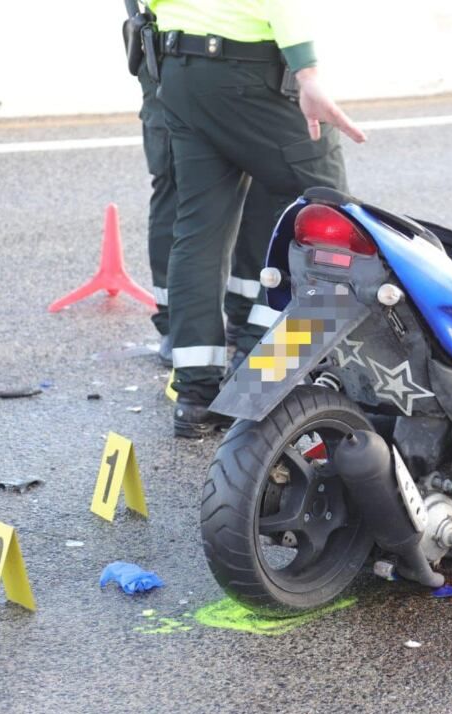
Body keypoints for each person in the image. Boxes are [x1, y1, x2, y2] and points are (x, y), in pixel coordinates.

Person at [150, 0, 366, 437]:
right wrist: (307, 74)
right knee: (333, 217)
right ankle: (258, 378)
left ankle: (194, 396)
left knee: (199, 231)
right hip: (248, 71)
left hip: (179, 67)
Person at [134, 52, 273, 368]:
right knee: (180, 190)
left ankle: (246, 322)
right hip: (174, 61)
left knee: (261, 183)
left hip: (249, 62)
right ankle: (182, 332)